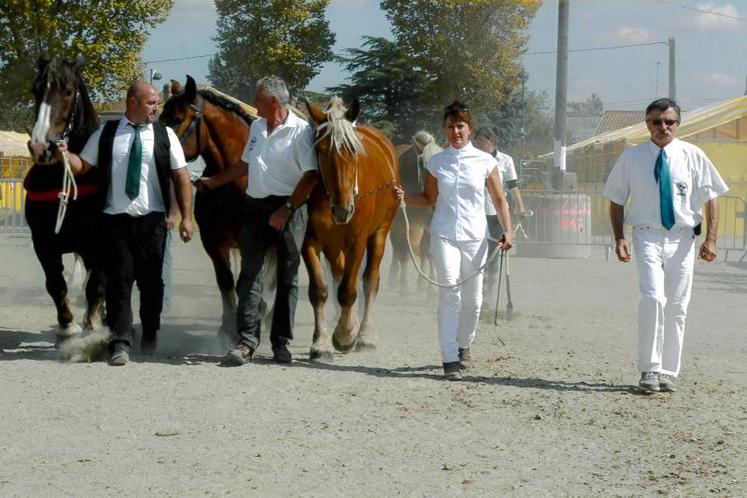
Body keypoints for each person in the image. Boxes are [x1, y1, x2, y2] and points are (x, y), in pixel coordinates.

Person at [57, 81, 194, 365]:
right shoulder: (106, 133)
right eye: (151, 103)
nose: (156, 108)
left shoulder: (166, 135)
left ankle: (150, 335)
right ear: (132, 102)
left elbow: (181, 177)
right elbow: (84, 166)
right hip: (115, 223)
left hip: (153, 223)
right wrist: (65, 155)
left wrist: (186, 218)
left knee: (152, 286)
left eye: (157, 103)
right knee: (118, 284)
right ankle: (120, 342)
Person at [603, 98, 728, 393]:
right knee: (652, 297)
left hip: (683, 237)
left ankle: (668, 371)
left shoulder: (692, 155)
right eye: (656, 121)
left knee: (677, 305)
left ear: (678, 124)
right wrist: (619, 237)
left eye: (669, 121)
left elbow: (712, 197)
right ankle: (649, 368)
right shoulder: (631, 158)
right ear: (647, 124)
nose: (663, 127)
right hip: (646, 234)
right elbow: (616, 199)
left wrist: (711, 238)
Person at [196, 76, 318, 366]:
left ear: (273, 101)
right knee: (249, 275)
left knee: (288, 279)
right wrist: (214, 181)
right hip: (254, 207)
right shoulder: (257, 126)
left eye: (258, 99)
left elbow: (310, 176)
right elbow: (244, 164)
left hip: (289, 209)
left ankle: (281, 344)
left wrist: (286, 209)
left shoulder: (300, 132)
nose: (253, 103)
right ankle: (247, 342)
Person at [395, 100, 513, 380]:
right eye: (450, 127)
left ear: (469, 129)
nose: (455, 132)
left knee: (474, 300)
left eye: (460, 126)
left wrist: (507, 230)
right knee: (449, 293)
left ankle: (464, 345)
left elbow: (499, 199)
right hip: (444, 234)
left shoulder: (486, 162)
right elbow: (428, 199)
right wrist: (404, 197)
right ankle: (449, 358)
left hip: (475, 237)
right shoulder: (437, 162)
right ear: (445, 130)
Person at [473, 126, 528, 311]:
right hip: (475, 213)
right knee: (475, 255)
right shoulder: (471, 158)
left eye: (483, 139)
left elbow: (512, 186)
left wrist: (520, 206)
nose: (479, 143)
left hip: (496, 215)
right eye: (478, 139)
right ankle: (475, 294)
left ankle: (487, 295)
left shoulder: (505, 160)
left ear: (492, 141)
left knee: (493, 256)